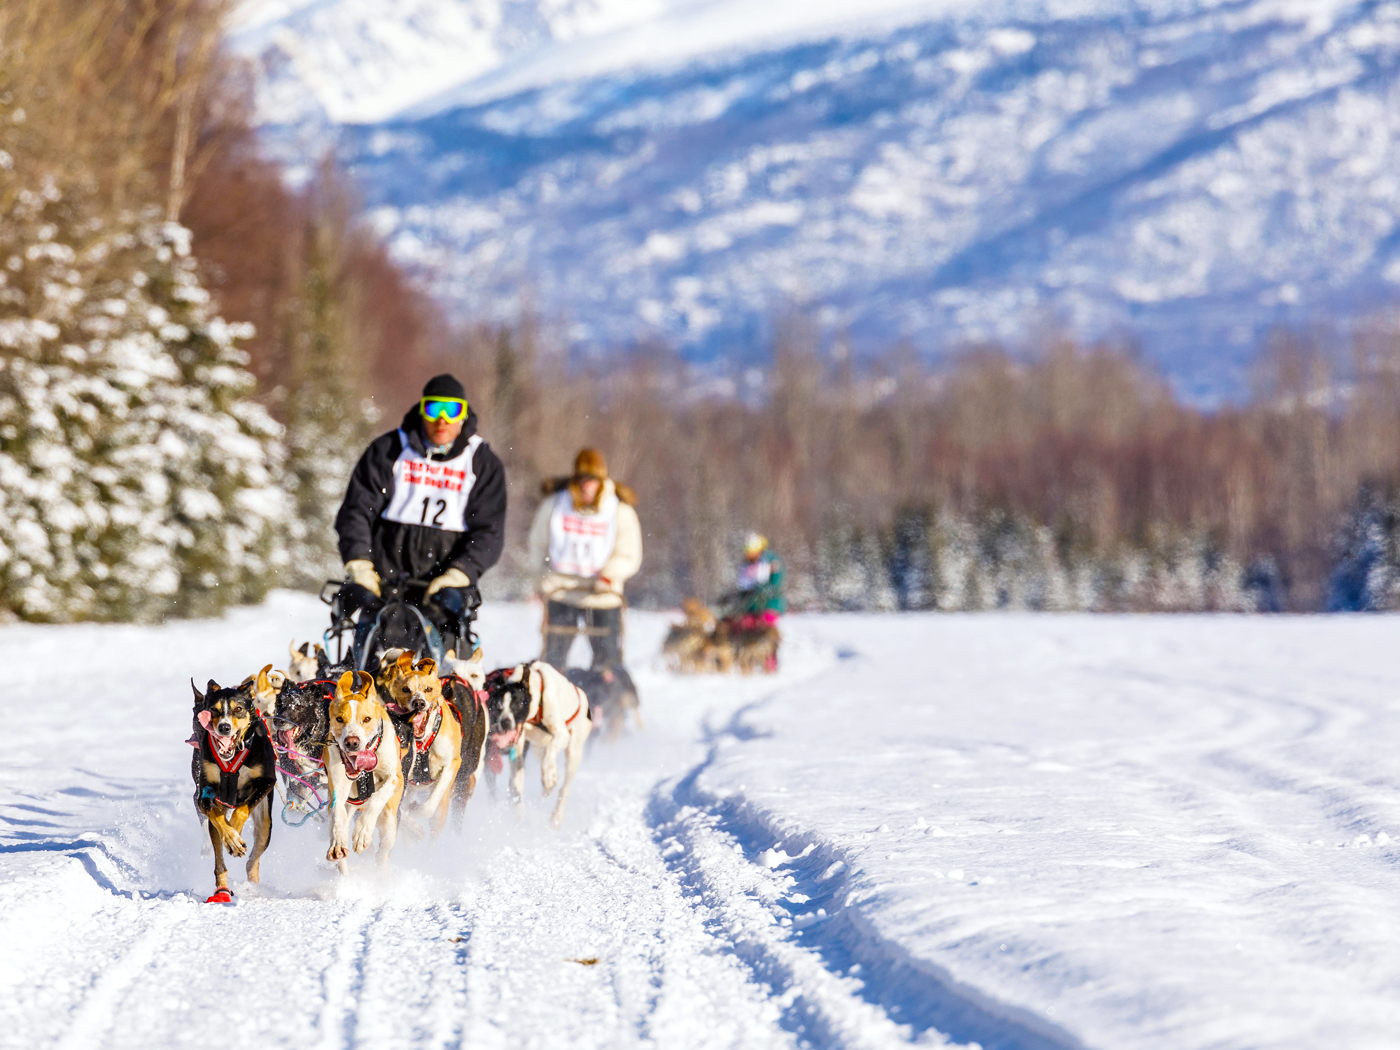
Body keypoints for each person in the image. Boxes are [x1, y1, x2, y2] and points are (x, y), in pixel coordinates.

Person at [334, 374, 507, 655]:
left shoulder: (482, 463)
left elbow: (489, 532)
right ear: (421, 410)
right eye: (433, 409)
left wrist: (460, 573)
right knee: (366, 671)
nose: (442, 420)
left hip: (442, 589)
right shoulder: (388, 450)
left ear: (463, 415)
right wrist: (360, 564)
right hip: (383, 585)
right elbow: (356, 511)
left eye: (451, 411)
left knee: (443, 679)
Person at [527, 448, 642, 668]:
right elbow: (537, 544)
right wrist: (540, 580)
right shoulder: (555, 505)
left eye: (593, 480)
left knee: (607, 664)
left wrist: (609, 576)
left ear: (602, 481)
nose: (587, 486)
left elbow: (629, 553)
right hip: (561, 591)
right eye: (582, 480)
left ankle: (606, 699)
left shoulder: (619, 510)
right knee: (553, 663)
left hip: (603, 594)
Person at [727, 532, 785, 627]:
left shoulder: (772, 561)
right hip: (751, 608)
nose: (748, 555)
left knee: (762, 625)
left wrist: (761, 590)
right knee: (741, 624)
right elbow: (743, 584)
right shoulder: (747, 564)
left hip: (769, 606)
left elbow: (776, 586)